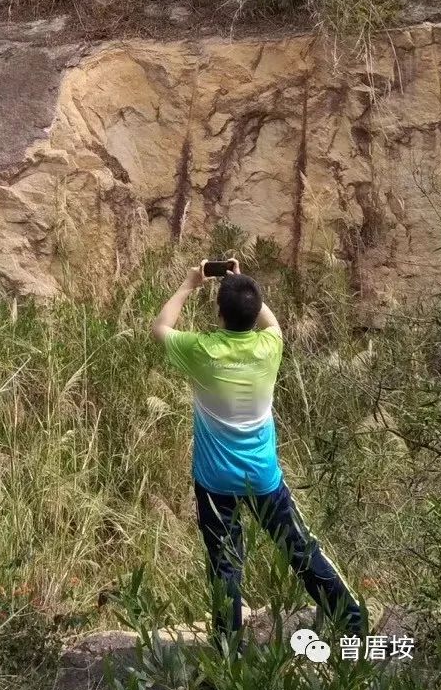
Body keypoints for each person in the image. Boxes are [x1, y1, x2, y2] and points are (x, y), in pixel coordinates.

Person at [151, 258, 364, 642]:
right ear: (253, 312)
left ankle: (228, 653)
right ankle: (352, 623)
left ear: (218, 313)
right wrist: (242, 283)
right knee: (301, 549)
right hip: (263, 478)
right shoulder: (270, 346)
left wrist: (187, 285)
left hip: (214, 482)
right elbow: (272, 322)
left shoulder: (204, 351)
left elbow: (161, 327)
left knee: (224, 567)